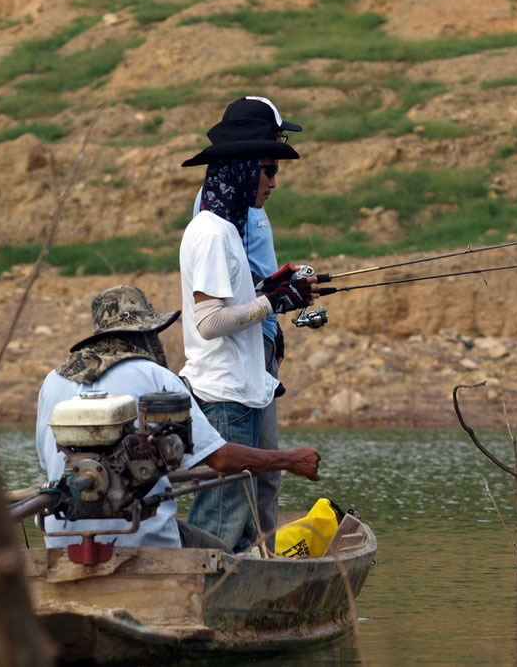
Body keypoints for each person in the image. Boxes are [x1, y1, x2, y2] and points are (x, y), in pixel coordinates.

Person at [35, 285, 321, 550]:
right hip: (141, 537)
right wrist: (291, 460)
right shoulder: (155, 376)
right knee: (222, 557)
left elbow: (50, 461)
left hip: (61, 539)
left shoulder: (52, 381)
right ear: (145, 333)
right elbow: (221, 459)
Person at [179, 131, 318, 553]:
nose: (273, 182)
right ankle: (200, 604)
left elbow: (234, 301)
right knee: (220, 522)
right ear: (240, 171)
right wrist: (270, 303)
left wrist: (273, 290)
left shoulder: (228, 230)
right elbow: (209, 322)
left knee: (241, 527)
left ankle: (242, 604)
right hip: (222, 395)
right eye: (267, 170)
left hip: (242, 390)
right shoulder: (212, 234)